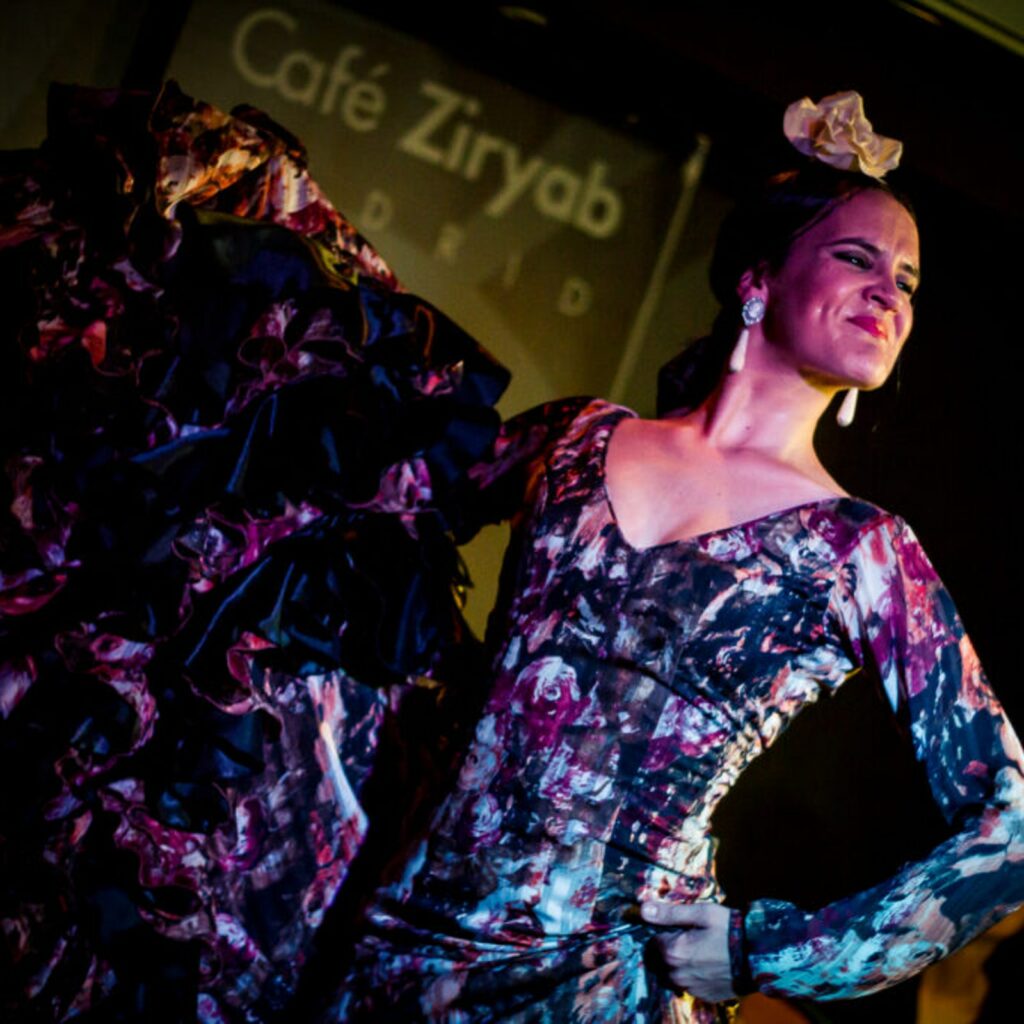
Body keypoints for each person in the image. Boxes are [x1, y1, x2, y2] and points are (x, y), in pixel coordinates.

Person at [328, 93, 1024, 1022]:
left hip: (605, 986)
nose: (888, 294)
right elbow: (372, 523)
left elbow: (1011, 827)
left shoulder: (863, 551)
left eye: (906, 282)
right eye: (857, 259)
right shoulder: (577, 438)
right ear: (759, 276)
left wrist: (766, 952)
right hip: (393, 947)